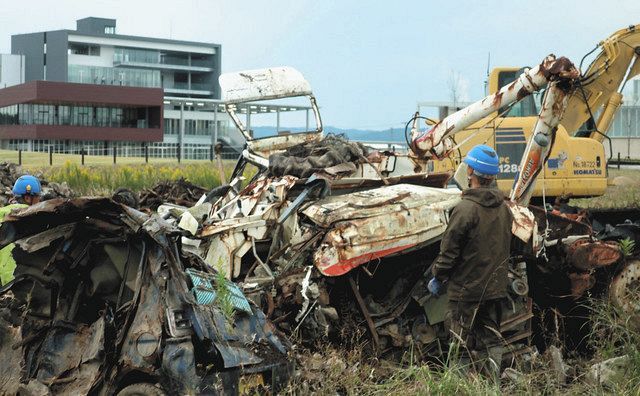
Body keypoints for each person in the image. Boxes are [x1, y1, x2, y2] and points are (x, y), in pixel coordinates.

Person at [427, 144, 512, 380]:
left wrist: (438, 277)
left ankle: (459, 386)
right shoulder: (505, 209)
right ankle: (491, 383)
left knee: (459, 342)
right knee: (491, 338)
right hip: (495, 289)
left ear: (471, 172)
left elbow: (449, 253)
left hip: (466, 292)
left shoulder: (465, 209)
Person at [0, 175, 42, 285]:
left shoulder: (3, 211)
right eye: (38, 197)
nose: (40, 200)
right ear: (28, 198)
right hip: (14, 278)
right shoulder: (30, 215)